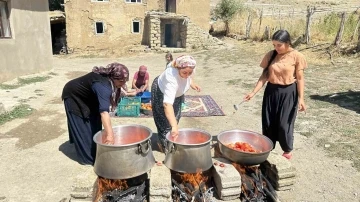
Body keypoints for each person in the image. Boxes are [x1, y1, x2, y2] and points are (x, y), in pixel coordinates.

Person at [244, 30, 307, 160]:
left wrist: (301, 99)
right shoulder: (271, 55)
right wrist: (253, 93)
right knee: (268, 122)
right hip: (271, 91)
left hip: (289, 92)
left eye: (279, 45)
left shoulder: (297, 56)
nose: (276, 48)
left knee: (285, 124)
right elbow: (264, 77)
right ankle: (269, 148)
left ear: (288, 43)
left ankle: (287, 150)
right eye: (274, 45)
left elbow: (300, 78)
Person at [62, 63, 130, 165]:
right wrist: (110, 135)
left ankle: (96, 149)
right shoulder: (102, 86)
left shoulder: (110, 81)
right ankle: (87, 159)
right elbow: (104, 112)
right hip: (73, 96)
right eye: (121, 81)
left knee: (95, 123)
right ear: (113, 77)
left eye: (125, 80)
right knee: (84, 128)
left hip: (89, 97)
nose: (123, 83)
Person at [151, 55, 201, 151]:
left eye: (189, 73)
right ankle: (163, 145)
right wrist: (174, 126)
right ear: (178, 68)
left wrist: (191, 83)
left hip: (177, 94)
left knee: (176, 117)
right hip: (160, 92)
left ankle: (170, 137)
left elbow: (189, 75)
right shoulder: (171, 78)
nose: (187, 75)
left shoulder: (187, 65)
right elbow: (167, 104)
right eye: (184, 73)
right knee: (164, 122)